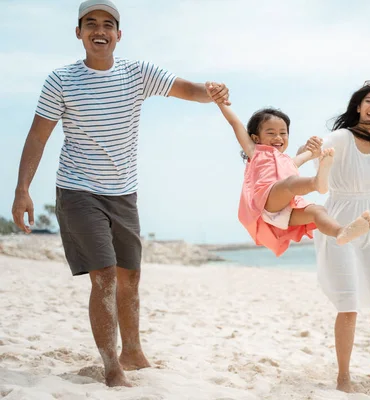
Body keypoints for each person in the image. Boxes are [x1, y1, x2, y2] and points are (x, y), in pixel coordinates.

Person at [11, 0, 230, 387]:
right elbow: (37, 136)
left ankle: (133, 350)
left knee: (131, 276)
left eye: (108, 24)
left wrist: (211, 91)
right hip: (78, 190)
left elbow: (188, 90)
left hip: (124, 193)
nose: (100, 30)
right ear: (78, 33)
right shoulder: (60, 80)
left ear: (118, 34)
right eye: (91, 23)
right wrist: (22, 190)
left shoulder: (138, 73)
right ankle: (111, 365)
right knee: (106, 276)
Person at [300, 80, 370, 392]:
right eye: (369, 101)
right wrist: (302, 158)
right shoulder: (342, 137)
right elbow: (313, 156)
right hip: (340, 217)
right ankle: (343, 375)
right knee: (348, 301)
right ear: (358, 106)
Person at [214, 101, 370, 257]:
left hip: (287, 209)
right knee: (290, 183)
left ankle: (340, 231)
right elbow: (235, 123)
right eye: (271, 133)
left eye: (283, 133)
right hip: (267, 200)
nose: (278, 137)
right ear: (256, 138)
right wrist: (220, 102)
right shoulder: (255, 152)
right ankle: (317, 182)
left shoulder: (288, 162)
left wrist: (314, 149)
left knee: (318, 211)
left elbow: (310, 154)